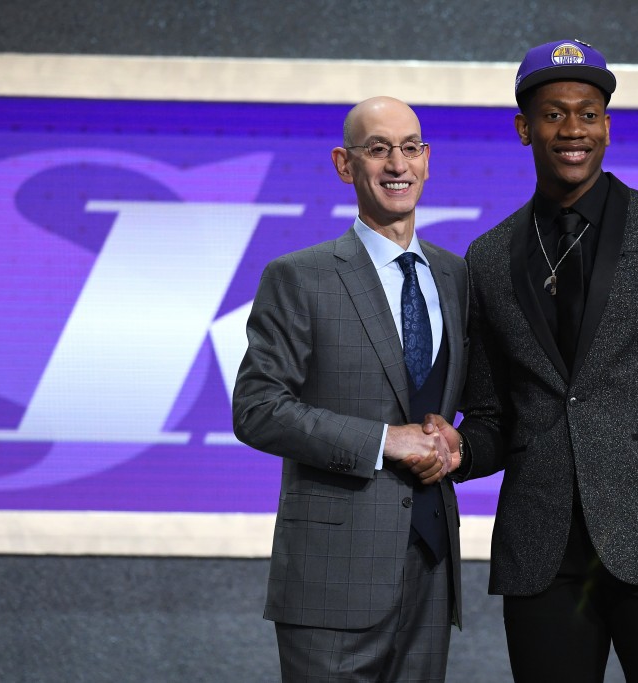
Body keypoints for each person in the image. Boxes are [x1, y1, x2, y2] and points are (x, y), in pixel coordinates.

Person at [426, 40, 638, 681]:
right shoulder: (487, 257)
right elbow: (492, 415)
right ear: (524, 128)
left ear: (606, 124)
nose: (573, 129)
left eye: (588, 112)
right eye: (553, 113)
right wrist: (456, 449)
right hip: (541, 558)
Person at [233, 96, 467, 683]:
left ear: (427, 160)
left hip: (430, 572)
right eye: (378, 149)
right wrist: (386, 441)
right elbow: (257, 409)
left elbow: (470, 405)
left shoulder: (456, 275)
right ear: (345, 164)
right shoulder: (298, 276)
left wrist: (460, 444)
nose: (397, 164)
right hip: (332, 582)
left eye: (410, 148)